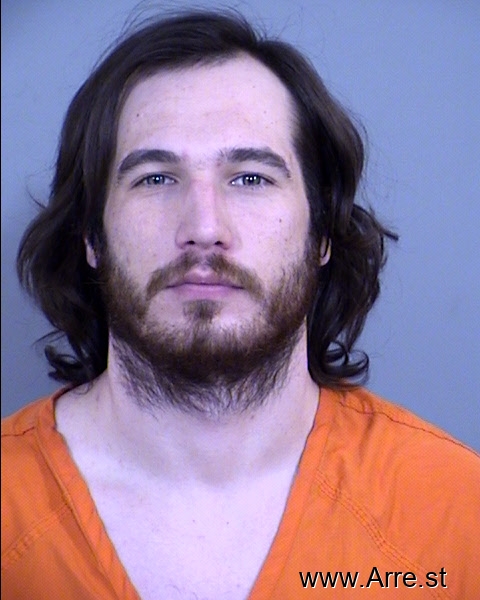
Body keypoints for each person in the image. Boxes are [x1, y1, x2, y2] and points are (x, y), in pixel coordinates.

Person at [2, 9, 479, 600]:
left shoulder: (457, 511)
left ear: (322, 233)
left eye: (251, 177)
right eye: (155, 178)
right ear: (91, 237)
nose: (204, 229)